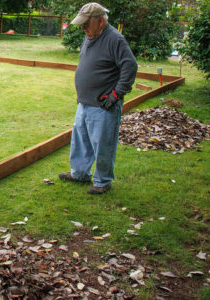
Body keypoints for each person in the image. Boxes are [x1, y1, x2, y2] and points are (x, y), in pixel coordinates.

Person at [58, 2, 137, 194]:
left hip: (103, 105)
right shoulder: (91, 36)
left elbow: (130, 66)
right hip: (85, 102)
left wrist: (117, 94)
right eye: (82, 25)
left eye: (87, 24)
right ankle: (79, 173)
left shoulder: (114, 39)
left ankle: (102, 182)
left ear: (100, 21)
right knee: (81, 140)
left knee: (103, 145)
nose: (83, 28)